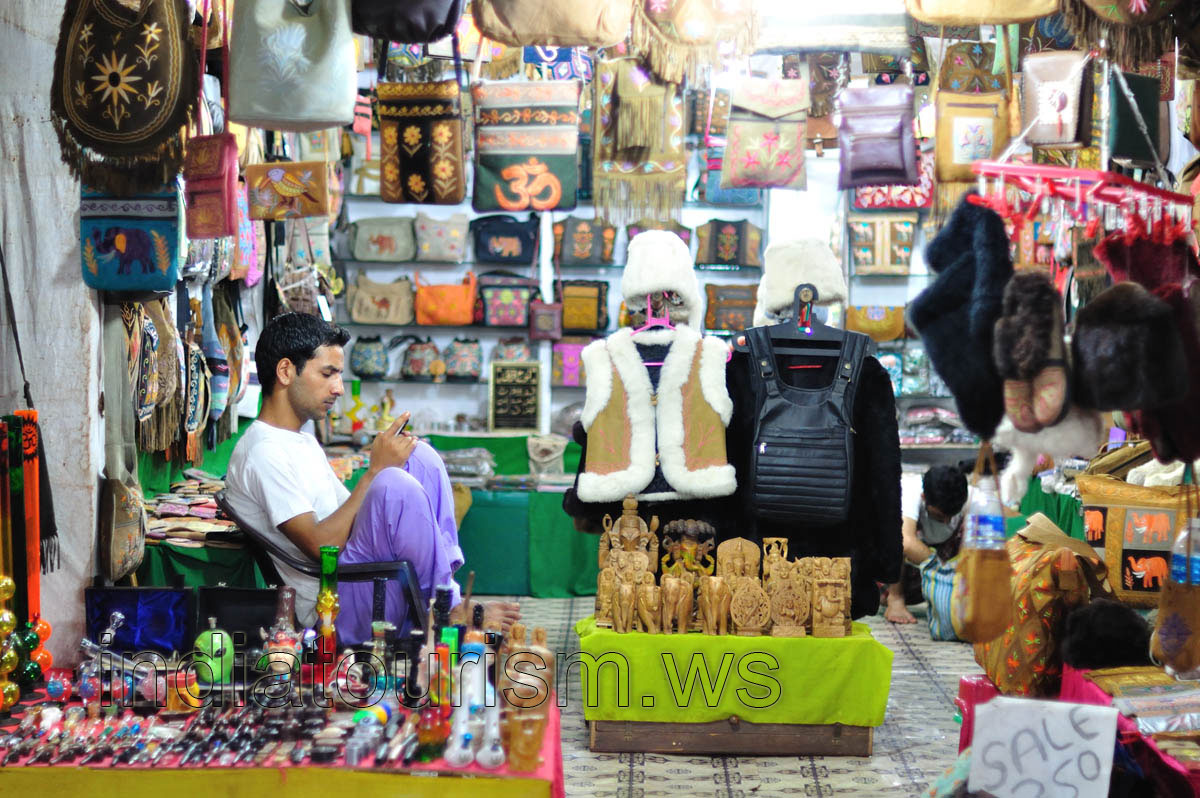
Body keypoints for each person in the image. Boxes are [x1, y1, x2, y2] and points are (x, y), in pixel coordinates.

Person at [225, 313, 518, 644]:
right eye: (328, 374)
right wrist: (376, 471)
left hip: (360, 579)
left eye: (339, 374)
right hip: (333, 603)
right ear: (286, 372)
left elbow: (349, 516)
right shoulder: (264, 452)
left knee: (420, 457)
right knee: (394, 486)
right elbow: (323, 551)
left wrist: (386, 467)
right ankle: (445, 606)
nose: (338, 388)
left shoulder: (299, 435)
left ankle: (443, 597)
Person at [884, 465, 968, 625]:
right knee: (896, 537)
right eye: (939, 516)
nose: (946, 522)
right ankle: (895, 600)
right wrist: (944, 570)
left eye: (951, 516)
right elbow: (906, 542)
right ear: (924, 497)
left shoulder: (969, 498)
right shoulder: (910, 490)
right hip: (902, 573)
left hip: (941, 563)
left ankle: (954, 599)